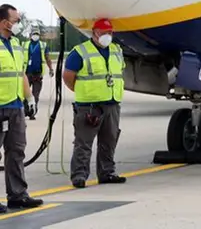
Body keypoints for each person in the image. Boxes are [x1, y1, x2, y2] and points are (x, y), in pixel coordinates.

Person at [62, 18, 127, 188]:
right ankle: (79, 176)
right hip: (89, 106)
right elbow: (68, 77)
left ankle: (107, 172)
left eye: (110, 32)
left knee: (109, 141)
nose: (107, 35)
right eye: (104, 32)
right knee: (83, 142)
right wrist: (84, 92)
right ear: (94, 33)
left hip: (112, 103)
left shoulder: (116, 50)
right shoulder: (80, 52)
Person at [0, 4, 44, 212]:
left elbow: (20, 74)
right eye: (17, 20)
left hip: (15, 106)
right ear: (4, 22)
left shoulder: (16, 44)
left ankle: (17, 195)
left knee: (16, 151)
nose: (20, 24)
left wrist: (29, 99)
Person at [22, 26, 54, 119]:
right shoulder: (25, 45)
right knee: (25, 94)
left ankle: (32, 113)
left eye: (37, 34)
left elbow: (47, 58)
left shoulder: (43, 45)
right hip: (27, 73)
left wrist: (51, 69)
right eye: (34, 34)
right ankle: (25, 111)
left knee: (35, 95)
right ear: (30, 35)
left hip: (38, 74)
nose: (35, 36)